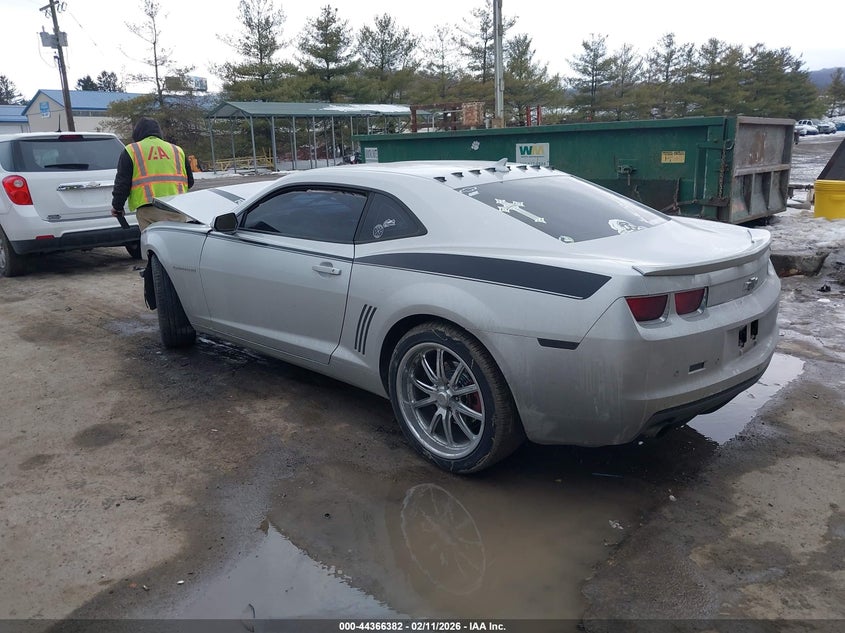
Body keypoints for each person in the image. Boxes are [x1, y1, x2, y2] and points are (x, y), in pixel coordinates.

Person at [111, 117, 194, 231]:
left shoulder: (132, 150)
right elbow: (190, 182)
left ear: (137, 133)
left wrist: (117, 207)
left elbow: (122, 184)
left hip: (149, 211)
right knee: (177, 240)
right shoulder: (177, 150)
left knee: (153, 241)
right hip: (176, 209)